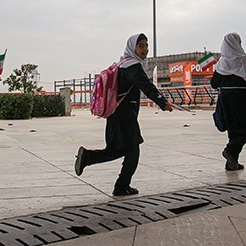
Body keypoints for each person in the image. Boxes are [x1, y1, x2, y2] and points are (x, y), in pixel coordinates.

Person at [74, 33, 173, 196]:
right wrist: (162, 102)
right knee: (133, 150)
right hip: (124, 115)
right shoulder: (132, 66)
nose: (145, 49)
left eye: (146, 45)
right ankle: (121, 186)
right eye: (141, 46)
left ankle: (88, 157)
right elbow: (146, 86)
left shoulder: (123, 64)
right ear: (132, 47)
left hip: (117, 113)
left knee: (117, 150)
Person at [210, 32, 246, 172]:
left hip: (225, 100)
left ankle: (232, 163)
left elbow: (214, 83)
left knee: (233, 129)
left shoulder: (222, 62)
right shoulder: (243, 60)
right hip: (242, 99)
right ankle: (231, 151)